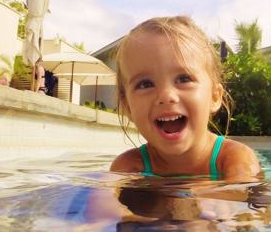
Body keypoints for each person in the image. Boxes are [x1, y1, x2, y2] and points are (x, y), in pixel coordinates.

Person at [109, 16, 261, 181]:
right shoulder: (129, 166)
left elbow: (243, 200)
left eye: (183, 79)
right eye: (145, 84)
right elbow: (102, 203)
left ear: (214, 96)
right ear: (128, 108)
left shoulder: (235, 158)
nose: (166, 96)